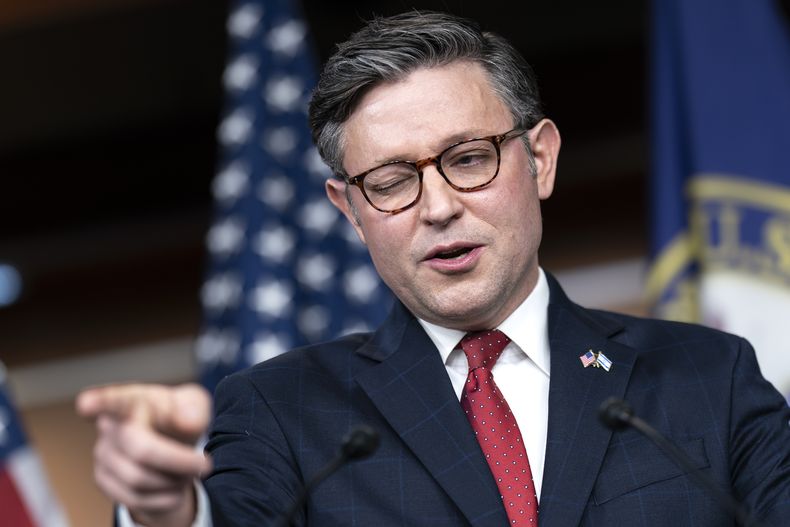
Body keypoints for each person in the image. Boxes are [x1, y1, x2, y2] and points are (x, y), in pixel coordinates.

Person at [77, 11, 790, 527]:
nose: (439, 207)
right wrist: (167, 513)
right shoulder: (279, 412)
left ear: (539, 158)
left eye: (470, 158)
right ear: (350, 209)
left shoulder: (708, 378)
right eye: (391, 181)